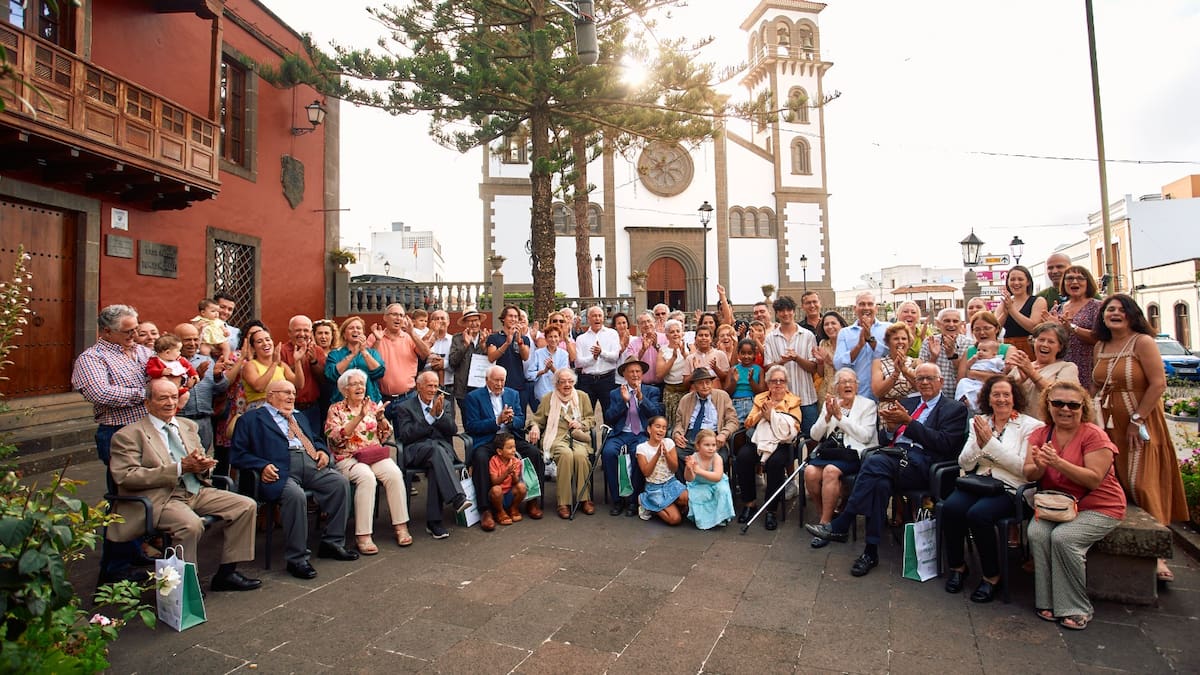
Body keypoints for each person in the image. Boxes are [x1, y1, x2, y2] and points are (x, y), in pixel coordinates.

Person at [808, 363, 968, 577]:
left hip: (923, 465)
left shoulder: (954, 408)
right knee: (879, 483)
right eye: (920, 379)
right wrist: (891, 430)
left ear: (941, 381)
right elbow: (884, 439)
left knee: (873, 462)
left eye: (930, 378)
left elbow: (945, 444)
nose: (924, 383)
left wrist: (909, 423)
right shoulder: (908, 402)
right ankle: (870, 552)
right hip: (895, 460)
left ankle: (843, 521)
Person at [109, 379, 260, 592]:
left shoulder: (188, 426)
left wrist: (204, 466)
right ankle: (185, 585)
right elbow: (126, 477)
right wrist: (179, 468)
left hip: (195, 489)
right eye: (162, 398)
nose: (170, 403)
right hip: (161, 497)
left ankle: (227, 573)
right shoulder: (129, 435)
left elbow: (202, 459)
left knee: (246, 505)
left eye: (173, 397)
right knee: (190, 525)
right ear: (147, 403)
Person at [1092, 294, 1188, 581]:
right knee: (1117, 481)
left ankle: (1156, 556)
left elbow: (1159, 384)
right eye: (1110, 310)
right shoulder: (1101, 345)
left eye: (1121, 309)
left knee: (1144, 483)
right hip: (1109, 422)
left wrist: (1137, 419)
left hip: (1139, 421)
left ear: (1132, 314)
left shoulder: (1143, 342)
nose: (1115, 313)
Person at [1024, 381, 1126, 630]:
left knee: (1064, 538)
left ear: (1083, 408)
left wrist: (1057, 463)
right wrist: (1039, 467)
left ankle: (1076, 606)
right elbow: (1029, 472)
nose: (1065, 409)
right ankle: (1046, 600)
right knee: (1036, 533)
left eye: (1073, 405)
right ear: (1048, 405)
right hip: (1059, 504)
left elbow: (1093, 477)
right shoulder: (1041, 433)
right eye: (1058, 403)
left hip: (1099, 505)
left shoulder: (1093, 435)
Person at [231, 380, 359, 580]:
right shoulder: (251, 419)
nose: (292, 397)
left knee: (339, 483)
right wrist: (260, 465)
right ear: (271, 395)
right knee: (296, 496)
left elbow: (315, 439)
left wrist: (322, 451)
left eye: (293, 392)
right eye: (286, 393)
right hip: (279, 470)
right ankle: (297, 558)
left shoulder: (299, 416)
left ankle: (332, 542)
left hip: (310, 463)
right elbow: (237, 455)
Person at [942, 376, 1043, 603]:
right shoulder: (980, 421)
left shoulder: (1031, 426)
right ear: (988, 398)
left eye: (1006, 394)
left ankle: (991, 576)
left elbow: (1022, 469)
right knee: (951, 508)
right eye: (995, 394)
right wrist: (979, 443)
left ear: (1014, 397)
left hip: (1011, 489)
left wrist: (990, 444)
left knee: (979, 515)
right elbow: (965, 464)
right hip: (979, 483)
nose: (1001, 399)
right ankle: (958, 567)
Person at [325, 368, 412, 553]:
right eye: (354, 384)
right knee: (367, 478)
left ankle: (401, 526)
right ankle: (363, 535)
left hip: (372, 454)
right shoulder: (336, 409)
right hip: (347, 458)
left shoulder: (372, 405)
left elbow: (385, 434)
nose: (359, 387)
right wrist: (359, 417)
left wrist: (381, 419)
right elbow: (334, 438)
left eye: (362, 384)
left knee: (394, 474)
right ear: (344, 389)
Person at [463, 365, 545, 529]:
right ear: (487, 380)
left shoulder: (512, 394)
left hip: (510, 437)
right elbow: (471, 426)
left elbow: (521, 421)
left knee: (534, 453)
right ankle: (485, 509)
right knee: (480, 458)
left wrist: (511, 420)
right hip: (488, 439)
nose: (500, 384)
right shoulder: (473, 397)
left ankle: (532, 500)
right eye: (496, 380)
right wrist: (497, 421)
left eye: (502, 380)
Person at [393, 371, 472, 539]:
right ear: (418, 386)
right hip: (417, 450)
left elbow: (452, 430)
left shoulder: (444, 404)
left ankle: (434, 522)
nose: (433, 389)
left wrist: (440, 415)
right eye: (429, 385)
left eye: (436, 386)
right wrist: (430, 417)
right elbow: (406, 435)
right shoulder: (404, 407)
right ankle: (457, 498)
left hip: (441, 451)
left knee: (437, 459)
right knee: (436, 452)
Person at [805, 368, 877, 547]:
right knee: (810, 472)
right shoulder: (831, 403)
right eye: (843, 382)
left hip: (855, 454)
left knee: (830, 471)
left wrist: (840, 418)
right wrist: (827, 416)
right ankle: (827, 517)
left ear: (857, 386)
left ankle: (824, 526)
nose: (847, 385)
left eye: (851, 381)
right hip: (832, 452)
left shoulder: (867, 405)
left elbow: (865, 436)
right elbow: (814, 435)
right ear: (836, 387)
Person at [735, 365, 802, 531]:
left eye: (781, 381)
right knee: (743, 457)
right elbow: (748, 423)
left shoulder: (794, 401)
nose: (778, 384)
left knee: (775, 463)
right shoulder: (760, 399)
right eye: (774, 381)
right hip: (760, 441)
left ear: (786, 384)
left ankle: (771, 509)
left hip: (782, 444)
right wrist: (762, 414)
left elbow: (796, 426)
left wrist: (774, 416)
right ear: (768, 383)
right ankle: (749, 503)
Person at [528, 368, 596, 519]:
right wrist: (534, 427)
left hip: (578, 437)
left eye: (570, 381)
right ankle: (563, 503)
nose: (567, 385)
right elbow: (537, 419)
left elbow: (591, 419)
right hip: (555, 438)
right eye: (563, 382)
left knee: (579, 456)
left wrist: (581, 425)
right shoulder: (548, 398)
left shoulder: (582, 396)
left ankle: (584, 499)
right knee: (566, 455)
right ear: (556, 384)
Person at [600, 356, 664, 515]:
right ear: (625, 375)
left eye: (638, 371)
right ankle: (617, 499)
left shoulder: (652, 391)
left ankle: (634, 500)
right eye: (631, 372)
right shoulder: (616, 393)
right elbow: (609, 417)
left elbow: (657, 414)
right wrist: (624, 402)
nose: (635, 374)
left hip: (641, 434)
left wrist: (641, 398)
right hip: (620, 434)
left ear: (642, 374)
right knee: (608, 453)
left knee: (639, 453)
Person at [762, 295, 819, 435]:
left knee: (811, 437)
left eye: (788, 310)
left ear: (794, 311)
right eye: (781, 311)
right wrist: (782, 362)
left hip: (806, 397)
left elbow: (813, 367)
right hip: (781, 400)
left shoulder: (808, 335)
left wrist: (797, 358)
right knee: (784, 438)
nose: (785, 314)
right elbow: (768, 368)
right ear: (777, 313)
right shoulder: (770, 338)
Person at [173, 322, 230, 453]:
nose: (193, 343)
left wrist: (218, 376)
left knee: (206, 460)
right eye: (187, 340)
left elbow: (221, 388)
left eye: (195, 339)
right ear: (177, 340)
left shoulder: (207, 360)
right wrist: (195, 377)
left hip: (205, 421)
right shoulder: (169, 363)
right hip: (181, 419)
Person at [672, 366, 740, 473]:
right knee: (675, 453)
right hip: (690, 438)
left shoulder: (722, 396)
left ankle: (712, 487)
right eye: (700, 383)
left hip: (714, 438)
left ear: (712, 383)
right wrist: (677, 434)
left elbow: (733, 421)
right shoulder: (685, 400)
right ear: (694, 385)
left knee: (720, 458)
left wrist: (724, 434)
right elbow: (679, 422)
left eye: (707, 382)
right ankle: (685, 486)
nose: (705, 386)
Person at [1045, 265, 1101, 391]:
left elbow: (1099, 338)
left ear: (1088, 283)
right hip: (1061, 367)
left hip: (1088, 366)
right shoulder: (1057, 309)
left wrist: (1072, 327)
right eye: (1069, 278)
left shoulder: (1097, 306)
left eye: (1080, 278)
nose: (1074, 282)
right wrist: (1052, 328)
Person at [1008, 322, 1079, 420]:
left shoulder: (1067, 367)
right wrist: (1020, 381)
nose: (1045, 344)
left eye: (1051, 342)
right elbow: (1003, 393)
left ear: (1060, 347)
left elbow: (1061, 395)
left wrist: (1032, 373)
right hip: (1019, 425)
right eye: (1041, 340)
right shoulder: (1022, 366)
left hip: (1047, 425)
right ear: (1033, 342)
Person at [367, 303, 430, 412]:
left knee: (406, 429)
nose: (398, 318)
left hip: (407, 397)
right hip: (381, 398)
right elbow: (368, 362)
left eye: (401, 315)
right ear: (385, 317)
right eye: (394, 314)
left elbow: (425, 354)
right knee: (383, 429)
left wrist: (412, 333)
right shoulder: (375, 336)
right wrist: (378, 340)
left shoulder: (410, 337)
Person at [833, 291, 889, 400]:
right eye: (862, 304)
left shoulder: (887, 328)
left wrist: (870, 340)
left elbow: (890, 355)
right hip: (858, 394)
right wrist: (859, 346)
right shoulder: (845, 333)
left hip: (884, 393)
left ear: (876, 308)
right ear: (855, 309)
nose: (866, 307)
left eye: (870, 304)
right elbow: (839, 364)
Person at [635, 416, 689, 524]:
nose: (661, 430)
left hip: (670, 482)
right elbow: (646, 472)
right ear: (649, 429)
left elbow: (674, 468)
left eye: (664, 428)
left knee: (685, 498)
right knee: (675, 519)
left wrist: (667, 454)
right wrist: (657, 455)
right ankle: (647, 503)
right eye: (658, 427)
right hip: (654, 487)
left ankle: (665, 504)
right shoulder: (642, 448)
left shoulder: (669, 442)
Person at [278, 315, 327, 433]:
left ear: (311, 332)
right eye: (298, 330)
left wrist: (314, 362)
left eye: (306, 330)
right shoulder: (282, 351)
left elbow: (323, 380)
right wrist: (298, 361)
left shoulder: (317, 350)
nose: (302, 334)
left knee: (313, 443)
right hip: (290, 407)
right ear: (289, 333)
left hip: (312, 408)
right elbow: (281, 377)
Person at [326, 316, 386, 403]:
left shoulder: (372, 353)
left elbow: (379, 372)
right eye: (351, 328)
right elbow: (331, 375)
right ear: (344, 334)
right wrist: (352, 354)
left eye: (358, 328)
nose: (355, 330)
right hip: (342, 404)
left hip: (370, 402)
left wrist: (363, 351)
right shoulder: (335, 354)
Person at [684, 428, 735, 529]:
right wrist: (689, 468)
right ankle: (705, 519)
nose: (711, 448)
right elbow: (689, 478)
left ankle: (720, 517)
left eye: (713, 445)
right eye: (707, 445)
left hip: (716, 482)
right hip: (699, 483)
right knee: (700, 495)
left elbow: (717, 477)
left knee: (722, 490)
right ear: (698, 446)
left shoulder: (717, 457)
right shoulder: (694, 457)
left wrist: (699, 471)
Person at [241, 329, 304, 408]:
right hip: (260, 408)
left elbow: (299, 384)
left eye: (268, 339)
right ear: (253, 348)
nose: (265, 343)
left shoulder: (281, 365)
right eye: (259, 342)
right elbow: (259, 387)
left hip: (282, 407)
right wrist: (274, 363)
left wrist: (297, 361)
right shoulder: (250, 365)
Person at [994, 265, 1047, 359]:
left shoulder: (1038, 301)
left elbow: (1034, 328)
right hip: (1008, 348)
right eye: (1012, 279)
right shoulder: (1003, 303)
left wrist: (1012, 310)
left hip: (1029, 347)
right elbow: (994, 330)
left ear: (1028, 282)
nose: (1016, 283)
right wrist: (1005, 313)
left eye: (1020, 279)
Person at [575, 305, 621, 409]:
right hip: (587, 380)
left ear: (603, 318)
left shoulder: (612, 334)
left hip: (607, 379)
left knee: (609, 413)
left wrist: (601, 353)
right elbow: (579, 362)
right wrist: (593, 358)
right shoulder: (581, 339)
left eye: (600, 316)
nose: (597, 318)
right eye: (594, 316)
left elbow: (615, 356)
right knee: (586, 413)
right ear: (588, 319)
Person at [920, 308, 972, 400]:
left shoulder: (969, 344)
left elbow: (967, 372)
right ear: (938, 324)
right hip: (935, 398)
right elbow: (922, 374)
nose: (951, 325)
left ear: (961, 324)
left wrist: (951, 354)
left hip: (961, 398)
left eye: (955, 321)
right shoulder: (929, 342)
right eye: (947, 321)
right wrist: (934, 357)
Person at [448, 308, 489, 410]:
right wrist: (465, 345)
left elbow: (492, 359)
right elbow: (452, 361)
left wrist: (484, 347)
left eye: (476, 320)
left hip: (483, 387)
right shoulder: (457, 338)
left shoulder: (487, 337)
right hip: (463, 388)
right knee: (467, 420)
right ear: (465, 323)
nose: (474, 323)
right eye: (470, 321)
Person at [146, 334, 198, 412]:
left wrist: (195, 376)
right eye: (178, 351)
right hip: (164, 393)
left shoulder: (180, 360)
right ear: (167, 352)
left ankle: (175, 411)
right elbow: (150, 371)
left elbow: (189, 368)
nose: (180, 353)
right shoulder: (155, 360)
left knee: (186, 395)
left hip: (179, 389)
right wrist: (161, 372)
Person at [953, 338, 1006, 412]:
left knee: (980, 392)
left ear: (994, 354)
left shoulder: (996, 360)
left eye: (984, 350)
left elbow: (1003, 370)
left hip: (985, 382)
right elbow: (967, 366)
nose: (980, 352)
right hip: (973, 381)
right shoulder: (976, 360)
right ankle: (962, 399)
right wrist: (972, 360)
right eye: (978, 350)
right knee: (963, 382)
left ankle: (976, 406)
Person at [871, 322, 919, 404]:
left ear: (909, 342)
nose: (900, 341)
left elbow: (922, 387)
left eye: (904, 339)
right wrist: (895, 373)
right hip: (889, 407)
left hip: (914, 406)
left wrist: (905, 370)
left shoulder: (916, 362)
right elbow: (877, 392)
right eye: (896, 339)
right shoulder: (879, 363)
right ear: (888, 342)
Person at [527, 323, 571, 408]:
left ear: (559, 338)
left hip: (558, 394)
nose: (553, 339)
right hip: (541, 394)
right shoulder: (538, 353)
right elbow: (529, 374)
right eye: (550, 337)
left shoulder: (564, 354)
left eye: (555, 337)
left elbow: (564, 376)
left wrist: (552, 368)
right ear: (546, 339)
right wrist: (544, 371)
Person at [488, 432, 528, 526]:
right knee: (496, 490)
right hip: (499, 495)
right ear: (500, 451)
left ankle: (514, 508)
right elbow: (494, 482)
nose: (513, 450)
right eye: (510, 448)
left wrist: (514, 475)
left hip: (510, 492)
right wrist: (506, 473)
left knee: (522, 487)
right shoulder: (494, 461)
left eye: (514, 447)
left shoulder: (516, 461)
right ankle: (500, 512)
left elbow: (516, 482)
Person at [657, 319, 691, 428]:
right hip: (671, 392)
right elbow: (659, 374)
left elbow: (695, 368)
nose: (675, 334)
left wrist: (684, 354)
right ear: (667, 336)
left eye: (678, 331)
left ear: (682, 333)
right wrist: (673, 358)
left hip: (687, 391)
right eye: (672, 332)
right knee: (671, 424)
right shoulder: (663, 351)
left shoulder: (690, 347)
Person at [812, 311, 847, 405]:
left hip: (844, 394)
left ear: (841, 325)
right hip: (825, 394)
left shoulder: (849, 344)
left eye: (833, 323)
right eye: (826, 324)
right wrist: (820, 362)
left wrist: (829, 360)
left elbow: (849, 371)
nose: (830, 327)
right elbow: (821, 373)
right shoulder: (823, 344)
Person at [726, 338, 764, 424]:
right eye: (743, 353)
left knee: (751, 428)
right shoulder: (733, 370)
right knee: (736, 429)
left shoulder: (759, 370)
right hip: (735, 403)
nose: (746, 356)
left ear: (755, 354)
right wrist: (734, 382)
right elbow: (727, 393)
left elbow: (761, 392)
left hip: (753, 403)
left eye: (750, 353)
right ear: (738, 354)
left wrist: (751, 381)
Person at [628, 311, 665, 386]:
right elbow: (630, 364)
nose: (647, 325)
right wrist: (642, 350)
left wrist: (657, 347)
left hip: (663, 384)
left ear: (654, 322)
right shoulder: (633, 344)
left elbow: (670, 359)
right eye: (643, 323)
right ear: (638, 326)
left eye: (649, 321)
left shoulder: (665, 338)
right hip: (643, 386)